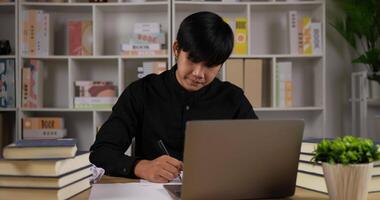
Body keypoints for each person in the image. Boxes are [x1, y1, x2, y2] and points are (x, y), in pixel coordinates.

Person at [89, 11, 258, 183]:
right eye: (192, 59)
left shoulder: (233, 99)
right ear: (176, 49)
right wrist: (141, 166)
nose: (198, 73)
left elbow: (260, 153)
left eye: (210, 65)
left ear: (221, 64)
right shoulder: (141, 92)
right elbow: (100, 153)